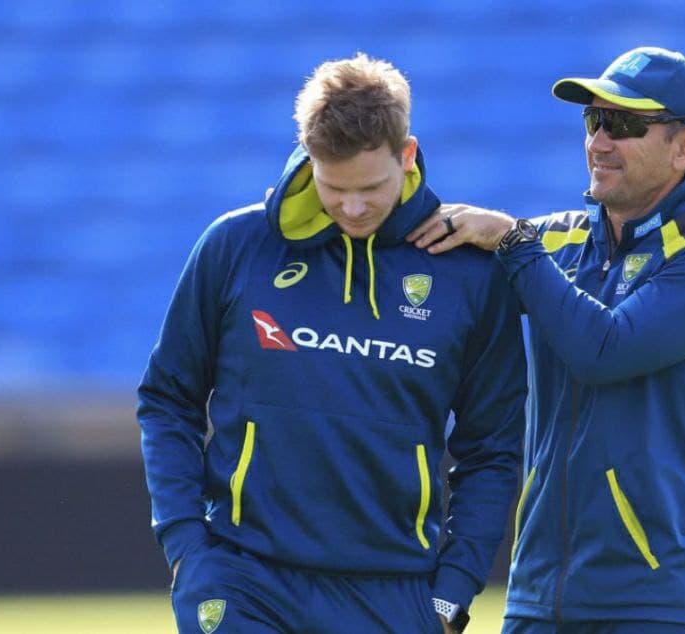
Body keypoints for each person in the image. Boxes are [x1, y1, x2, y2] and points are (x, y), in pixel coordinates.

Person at [137, 53, 527, 634]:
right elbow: (167, 400)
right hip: (244, 581)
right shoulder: (235, 246)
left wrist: (453, 592)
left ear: (407, 155)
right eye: (334, 187)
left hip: (394, 592)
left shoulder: (468, 274)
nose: (352, 207)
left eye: (371, 188)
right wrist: (186, 549)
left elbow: (491, 449)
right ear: (308, 158)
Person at [408, 46, 685, 633]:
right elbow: (431, 273)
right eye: (593, 120)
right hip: (536, 599)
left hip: (660, 605)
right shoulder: (554, 241)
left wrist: (513, 240)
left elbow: (604, 349)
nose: (599, 141)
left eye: (623, 124)